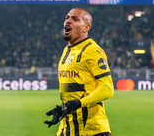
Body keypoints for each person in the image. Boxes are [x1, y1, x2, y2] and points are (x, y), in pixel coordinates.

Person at [44, 8, 114, 136]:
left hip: (90, 130)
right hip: (67, 129)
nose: (68, 21)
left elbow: (108, 88)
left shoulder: (92, 51)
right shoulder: (66, 51)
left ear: (86, 28)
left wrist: (79, 103)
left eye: (75, 19)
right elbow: (75, 92)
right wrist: (62, 110)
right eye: (67, 18)